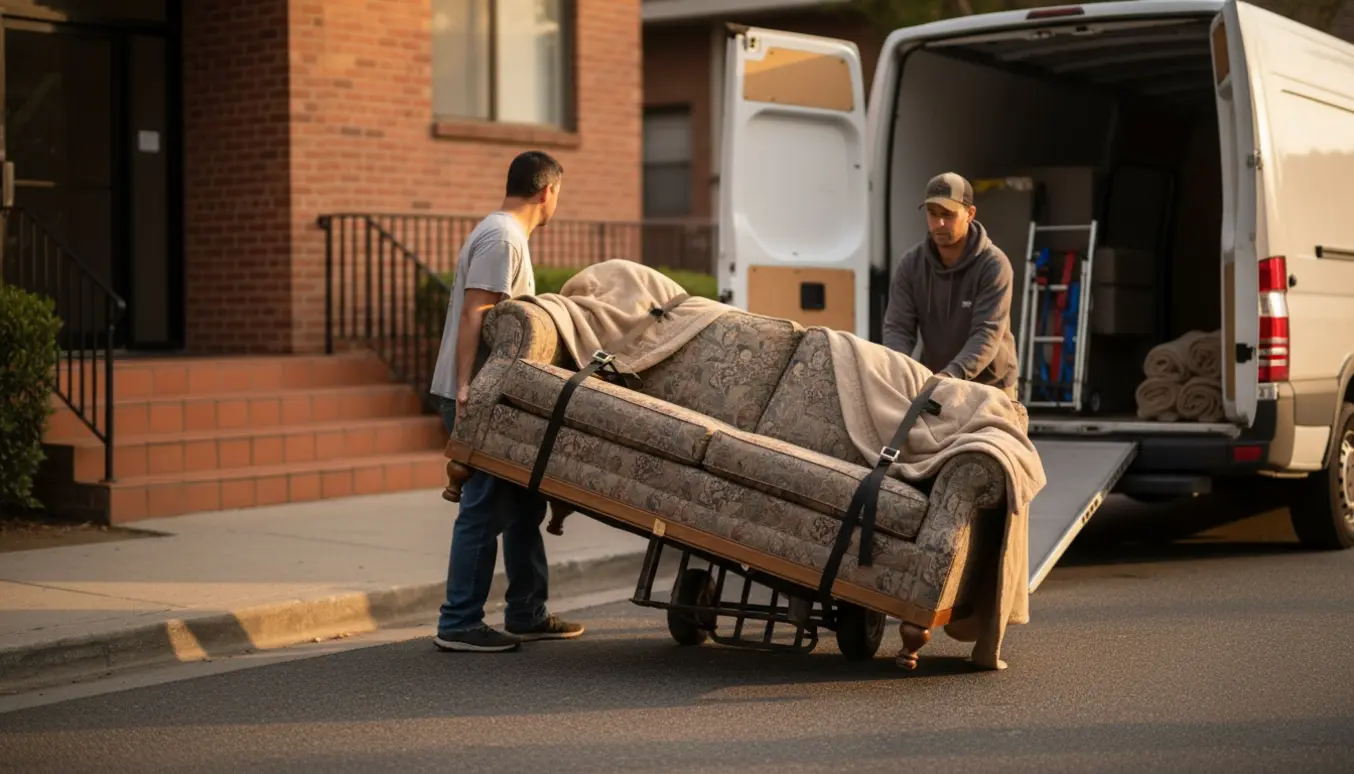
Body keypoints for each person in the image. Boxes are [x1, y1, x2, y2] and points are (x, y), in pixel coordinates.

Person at [427, 150, 585, 653]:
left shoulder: (503, 234)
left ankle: (526, 612)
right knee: (485, 506)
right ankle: (459, 622)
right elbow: (478, 313)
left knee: (521, 504)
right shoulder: (501, 238)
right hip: (482, 395)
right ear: (548, 192)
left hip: (494, 394)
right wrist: (469, 389)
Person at [881, 172, 1019, 399]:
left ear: (970, 213)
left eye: (948, 214)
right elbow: (898, 328)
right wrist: (899, 371)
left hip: (991, 387)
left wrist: (949, 376)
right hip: (937, 383)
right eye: (932, 214)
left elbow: (986, 333)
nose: (939, 223)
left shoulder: (994, 265)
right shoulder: (911, 265)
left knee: (993, 437)